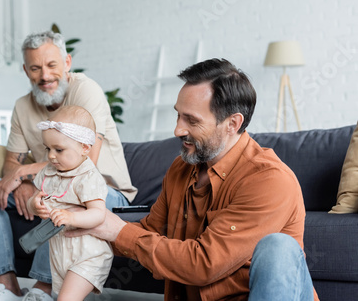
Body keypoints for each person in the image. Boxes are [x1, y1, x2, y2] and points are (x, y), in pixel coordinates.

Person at [68, 58, 319, 300]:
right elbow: (149, 232)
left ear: (233, 123)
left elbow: (204, 264)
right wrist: (88, 225)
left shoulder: (269, 180)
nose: (177, 130)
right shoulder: (181, 168)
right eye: (178, 115)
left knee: (279, 247)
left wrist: (118, 229)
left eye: (192, 120)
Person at [0, 31, 137, 301]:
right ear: (26, 71)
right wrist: (22, 184)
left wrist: (24, 173)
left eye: (51, 65)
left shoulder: (85, 90)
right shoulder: (23, 106)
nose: (44, 75)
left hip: (103, 193)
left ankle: (43, 289)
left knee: (60, 195)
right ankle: (7, 285)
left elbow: (86, 160)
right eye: (35, 68)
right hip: (50, 183)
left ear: (67, 63)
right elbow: (12, 160)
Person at [27, 105, 113, 300]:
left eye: (59, 149)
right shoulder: (48, 172)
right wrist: (33, 205)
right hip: (61, 254)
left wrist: (71, 216)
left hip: (88, 255)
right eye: (47, 148)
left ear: (84, 148)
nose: (50, 156)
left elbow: (98, 214)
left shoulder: (88, 177)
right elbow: (32, 199)